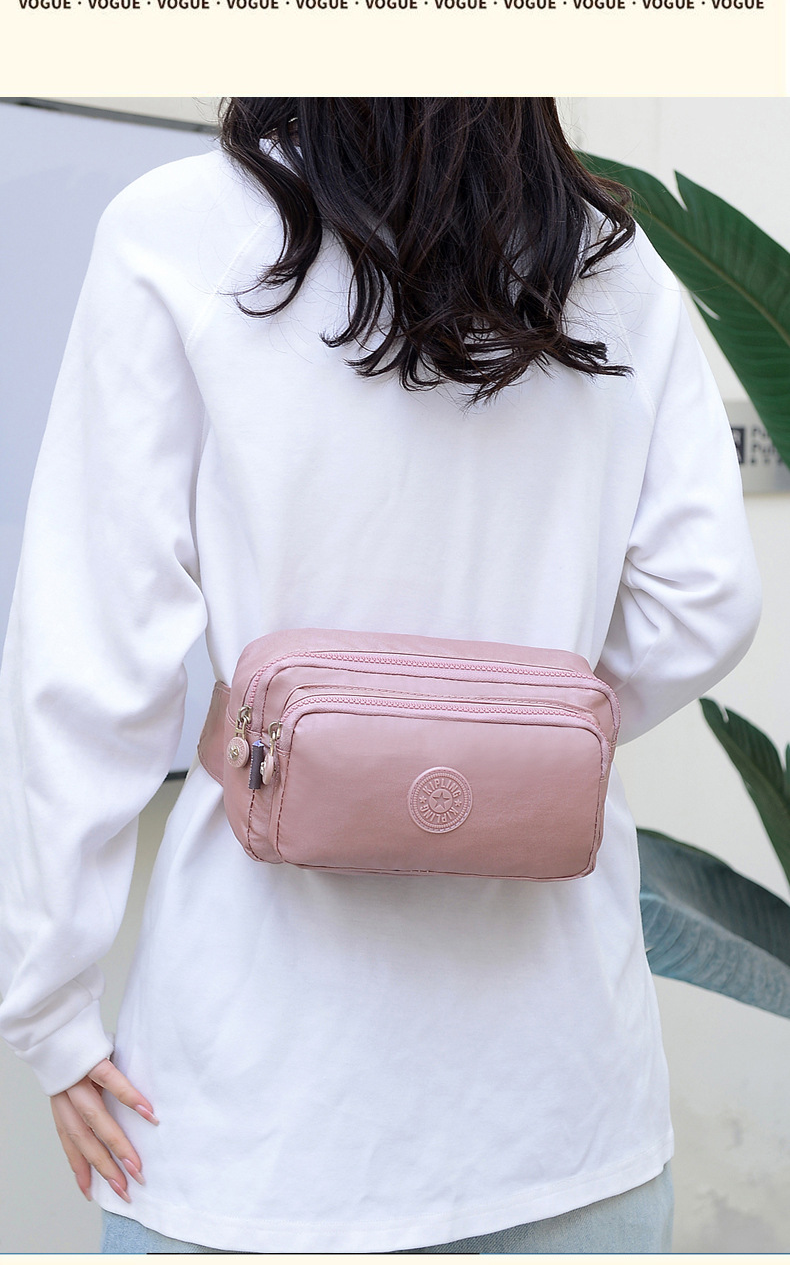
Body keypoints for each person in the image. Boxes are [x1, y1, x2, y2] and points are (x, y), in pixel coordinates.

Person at [0, 98, 760, 1254]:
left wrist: (50, 1006)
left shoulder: (179, 229)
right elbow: (707, 601)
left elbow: (90, 659)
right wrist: (512, 745)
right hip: (565, 1111)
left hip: (254, 1118)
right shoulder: (609, 261)